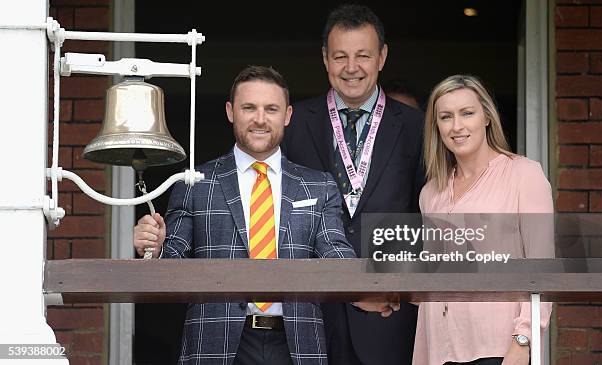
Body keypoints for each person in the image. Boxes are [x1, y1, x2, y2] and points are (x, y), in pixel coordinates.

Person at [133, 65, 396, 365]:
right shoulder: (194, 182)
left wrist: (370, 289)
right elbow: (171, 265)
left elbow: (335, 255)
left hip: (296, 345)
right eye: (249, 108)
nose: (260, 119)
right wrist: (152, 246)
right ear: (231, 111)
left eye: (271, 109)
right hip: (215, 343)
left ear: (287, 115)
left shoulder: (319, 185)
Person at [281, 4, 425, 365]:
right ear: (325, 59)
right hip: (309, 315)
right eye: (340, 56)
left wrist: (395, 289)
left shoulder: (417, 127)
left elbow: (429, 217)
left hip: (388, 316)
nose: (351, 67)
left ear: (382, 57)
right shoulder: (293, 124)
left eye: (363, 55)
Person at [414, 74, 554, 365]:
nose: (457, 126)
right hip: (439, 349)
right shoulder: (431, 194)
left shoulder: (524, 176)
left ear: (487, 117)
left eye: (467, 113)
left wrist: (524, 339)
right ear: (436, 126)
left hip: (499, 349)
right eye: (446, 116)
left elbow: (543, 269)